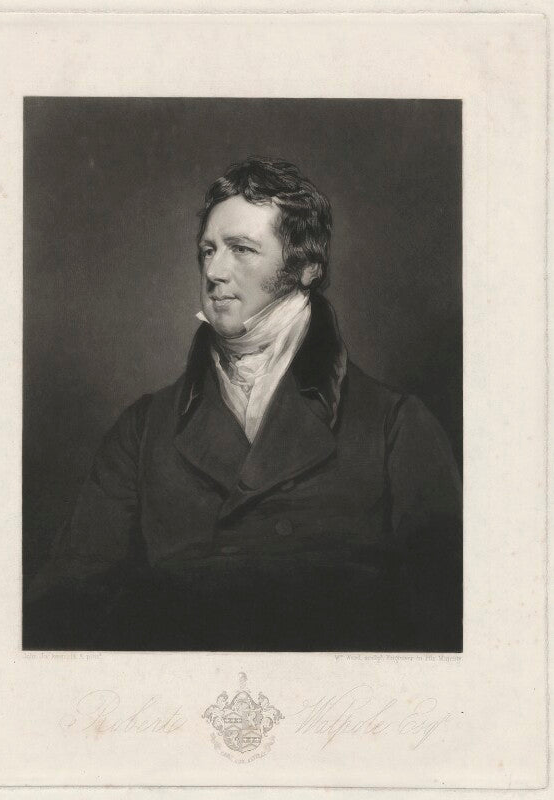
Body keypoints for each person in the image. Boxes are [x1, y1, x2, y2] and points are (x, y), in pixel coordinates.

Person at [24, 156, 462, 652]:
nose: (214, 271)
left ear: (307, 267)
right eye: (208, 250)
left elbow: (444, 623)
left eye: (242, 249)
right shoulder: (143, 430)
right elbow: (63, 608)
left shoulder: (395, 426)